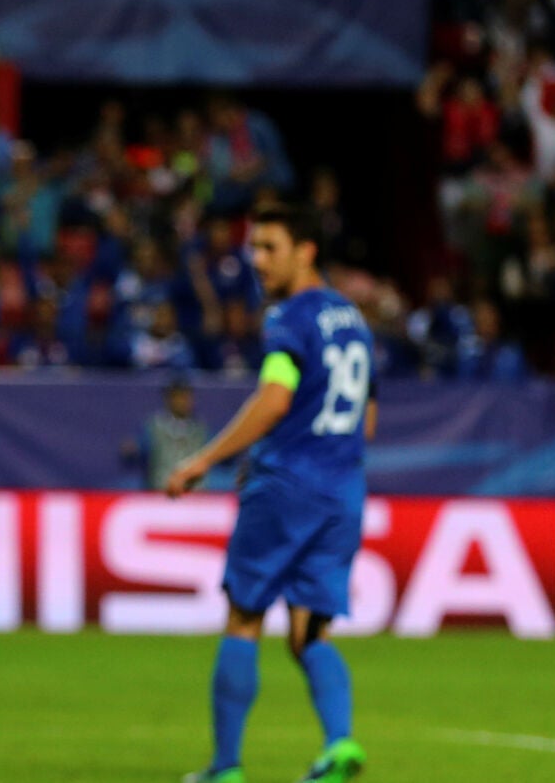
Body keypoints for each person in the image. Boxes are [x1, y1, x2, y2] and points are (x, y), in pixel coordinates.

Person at [165, 204, 374, 783]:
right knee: (309, 629)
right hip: (344, 490)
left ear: (306, 251)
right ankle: (340, 744)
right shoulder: (354, 319)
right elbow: (368, 418)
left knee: (244, 616)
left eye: (269, 247)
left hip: (289, 485)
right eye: (253, 248)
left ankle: (226, 767)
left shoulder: (289, 317)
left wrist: (207, 458)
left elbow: (276, 397)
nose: (257, 260)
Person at [129, 377, 207, 492]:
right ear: (168, 399)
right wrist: (134, 448)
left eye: (185, 397)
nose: (182, 402)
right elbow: (142, 447)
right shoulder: (154, 426)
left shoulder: (200, 429)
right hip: (161, 490)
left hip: (194, 494)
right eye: (177, 397)